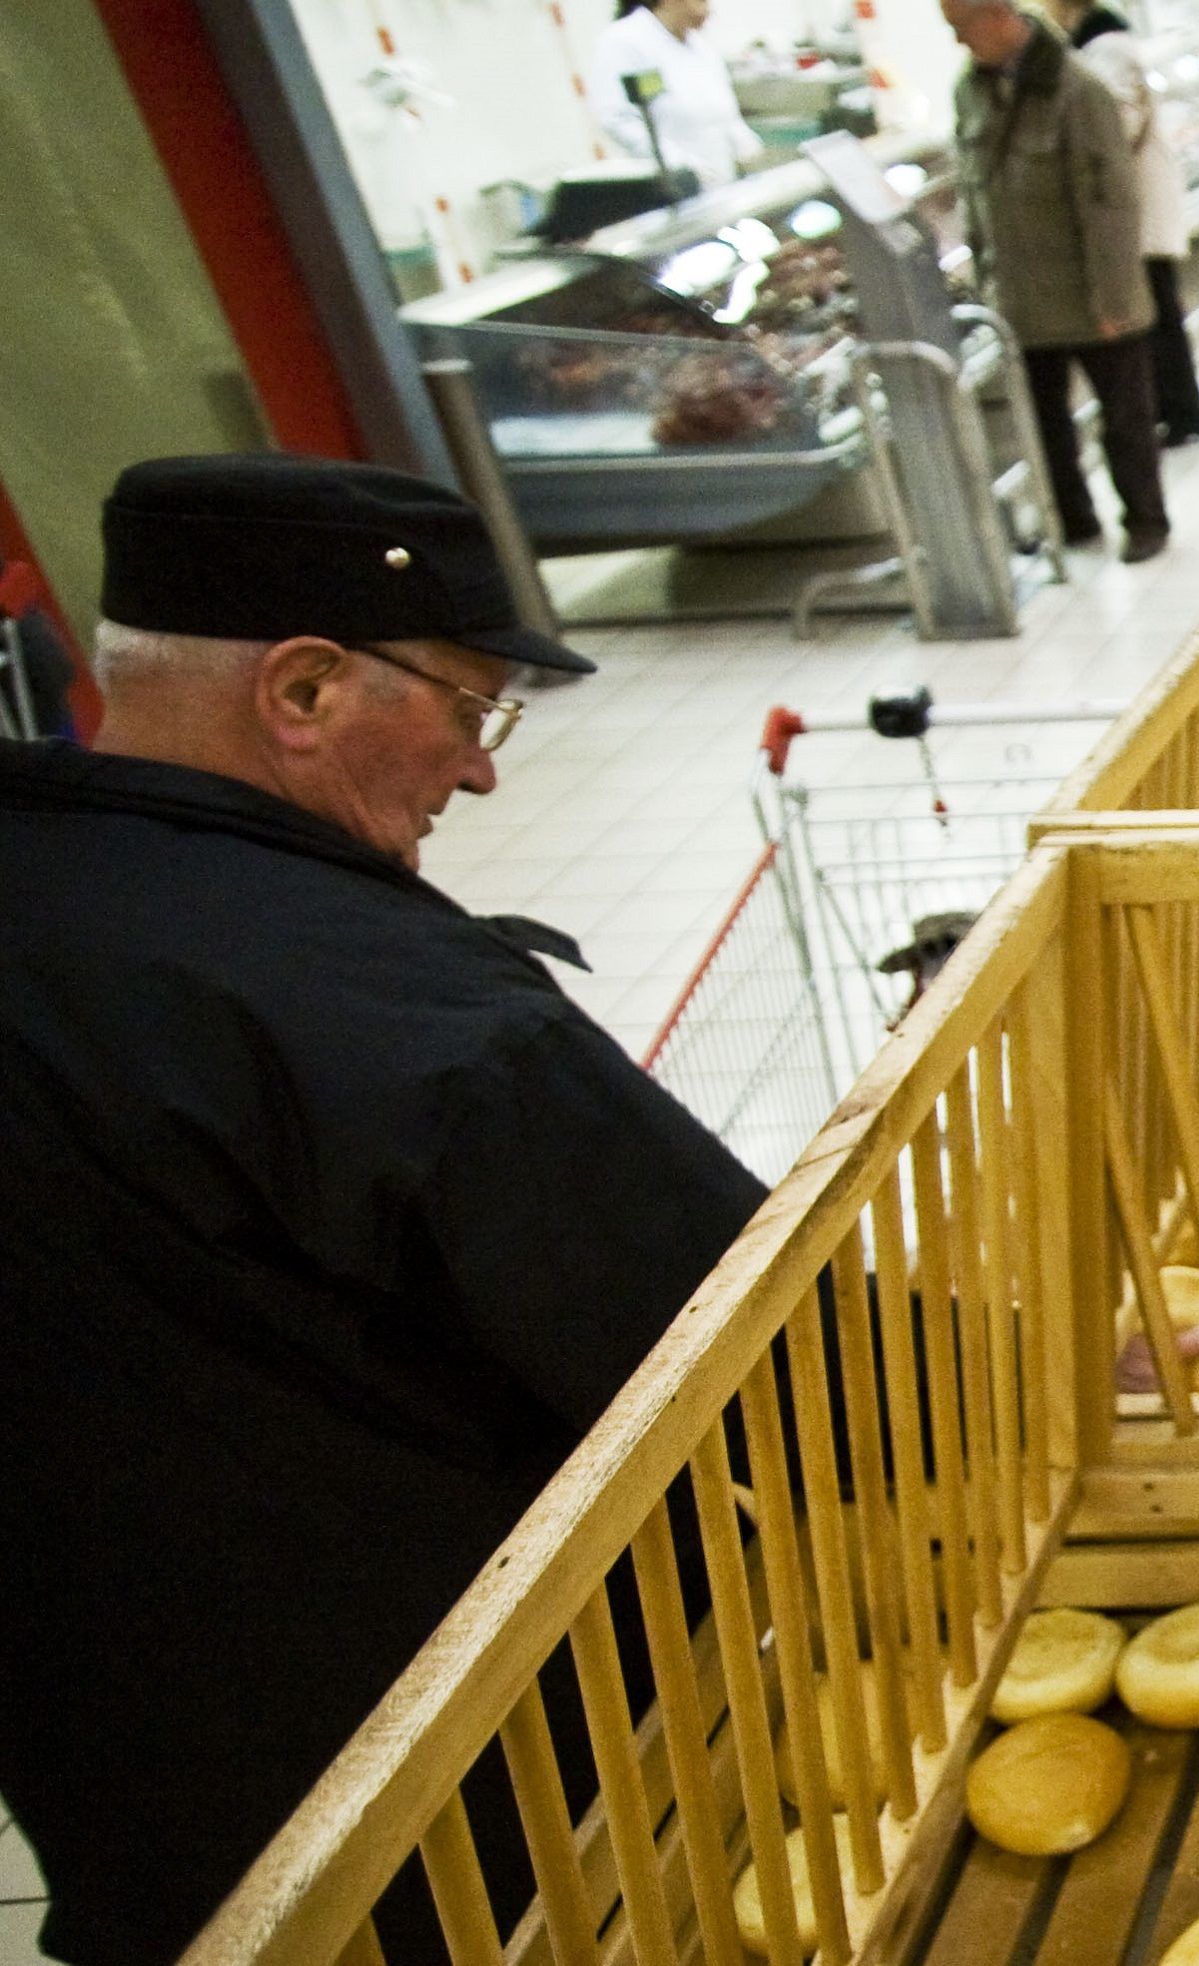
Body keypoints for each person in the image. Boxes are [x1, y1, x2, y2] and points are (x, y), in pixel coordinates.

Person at [0, 455, 768, 1966]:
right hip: (503, 1820)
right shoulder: (409, 1025)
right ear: (302, 689)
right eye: (472, 706)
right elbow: (754, 1347)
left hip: (150, 1825)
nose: (480, 769)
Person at [947, 0, 1173, 561]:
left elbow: (1111, 202)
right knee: (1044, 424)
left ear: (998, 15)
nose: (957, 42)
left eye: (961, 27)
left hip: (1091, 292)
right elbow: (974, 198)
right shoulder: (970, 92)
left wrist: (1115, 296)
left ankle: (1146, 521)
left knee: (1125, 419)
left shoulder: (1078, 90)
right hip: (1020, 297)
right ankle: (1072, 521)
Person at [1061, 2, 1199, 448]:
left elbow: (1117, 127)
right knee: (1162, 313)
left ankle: (1180, 413)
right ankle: (1180, 411)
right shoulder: (1107, 50)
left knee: (1158, 316)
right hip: (1137, 212)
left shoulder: (1106, 52)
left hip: (1134, 214)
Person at [587, 0, 766, 192]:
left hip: (722, 186)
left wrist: (744, 141)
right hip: (670, 190)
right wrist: (679, 164)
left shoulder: (701, 47)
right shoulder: (624, 41)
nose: (708, 8)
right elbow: (618, 120)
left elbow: (724, 113)